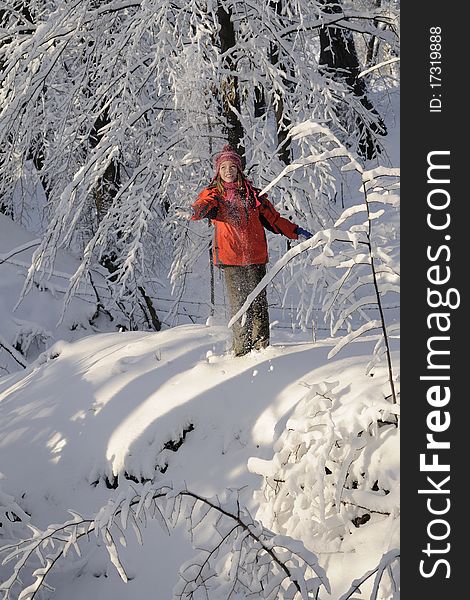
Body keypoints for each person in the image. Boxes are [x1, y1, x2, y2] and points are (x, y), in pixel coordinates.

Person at [190, 144, 312, 357]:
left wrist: (295, 231)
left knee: (259, 305)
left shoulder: (252, 195)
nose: (228, 171)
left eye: (232, 167)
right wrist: (196, 210)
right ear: (218, 171)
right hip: (230, 260)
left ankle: (262, 349)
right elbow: (203, 205)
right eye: (224, 167)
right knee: (239, 307)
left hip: (255, 257)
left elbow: (273, 220)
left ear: (238, 169)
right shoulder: (215, 195)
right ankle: (241, 352)